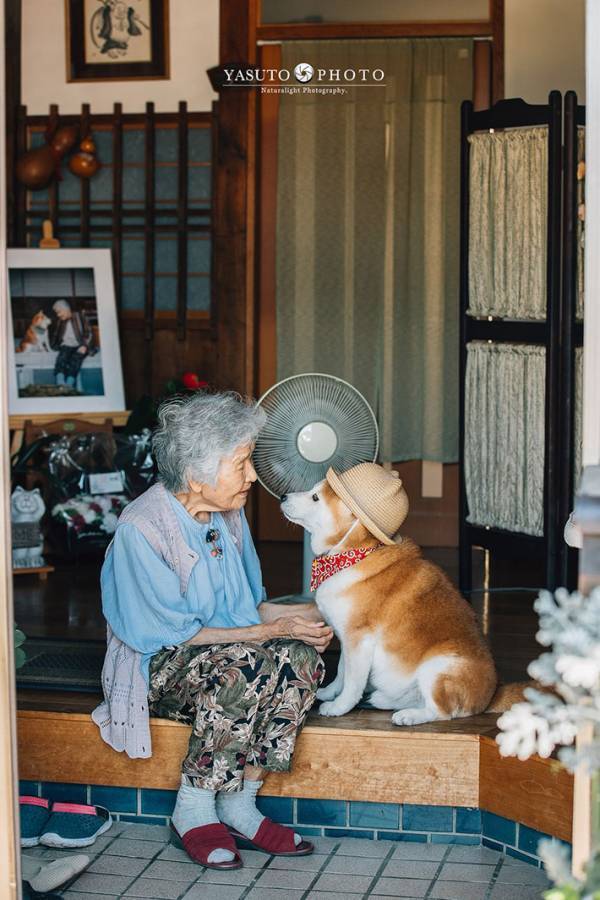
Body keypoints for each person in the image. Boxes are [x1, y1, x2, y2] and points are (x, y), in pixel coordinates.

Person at [94, 392, 332, 869]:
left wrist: (311, 618)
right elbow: (168, 636)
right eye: (242, 463)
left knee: (302, 657)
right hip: (159, 664)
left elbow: (248, 607)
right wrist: (269, 632)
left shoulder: (229, 516)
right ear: (197, 473)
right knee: (244, 667)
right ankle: (195, 808)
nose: (252, 476)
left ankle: (241, 802)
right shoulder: (141, 530)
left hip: (226, 651)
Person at [51, 300, 93, 389]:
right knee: (61, 358)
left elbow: (88, 332)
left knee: (76, 359)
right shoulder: (60, 321)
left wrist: (85, 345)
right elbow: (55, 335)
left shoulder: (81, 316)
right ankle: (60, 383)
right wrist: (54, 345)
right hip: (66, 345)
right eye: (56, 313)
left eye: (59, 312)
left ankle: (69, 384)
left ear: (66, 309)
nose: (58, 315)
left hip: (80, 345)